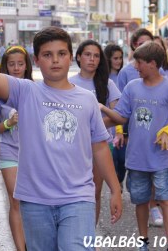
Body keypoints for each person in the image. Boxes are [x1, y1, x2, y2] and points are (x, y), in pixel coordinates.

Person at [0, 14, 122, 251]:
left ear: (70, 57)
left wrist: (115, 189)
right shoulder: (26, 91)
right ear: (36, 60)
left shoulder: (87, 100)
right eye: (47, 55)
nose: (55, 60)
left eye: (61, 54)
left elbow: (99, 146)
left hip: (78, 199)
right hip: (35, 200)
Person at [101, 41, 168, 251]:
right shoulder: (131, 87)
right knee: (140, 201)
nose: (135, 67)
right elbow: (121, 117)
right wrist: (99, 113)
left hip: (162, 158)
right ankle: (143, 241)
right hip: (137, 157)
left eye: (139, 62)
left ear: (153, 63)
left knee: (165, 199)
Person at [116, 29, 164, 227]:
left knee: (155, 175)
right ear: (135, 45)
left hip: (157, 137)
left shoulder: (165, 76)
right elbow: (120, 107)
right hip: (132, 130)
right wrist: (120, 131)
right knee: (134, 177)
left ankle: (154, 206)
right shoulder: (128, 73)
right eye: (140, 43)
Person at [0, 45, 33, 251]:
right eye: (11, 64)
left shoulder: (35, 89)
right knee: (16, 202)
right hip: (9, 152)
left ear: (27, 66)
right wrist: (8, 123)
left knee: (33, 204)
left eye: (20, 64)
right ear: (4, 66)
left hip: (34, 154)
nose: (16, 68)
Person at [70, 40, 121, 225]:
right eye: (87, 54)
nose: (92, 59)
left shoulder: (107, 84)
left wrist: (97, 124)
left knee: (95, 191)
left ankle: (90, 233)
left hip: (100, 144)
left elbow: (119, 116)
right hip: (74, 145)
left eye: (96, 56)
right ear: (78, 57)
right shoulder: (69, 82)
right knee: (74, 190)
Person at [104, 44, 126, 190]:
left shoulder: (125, 74)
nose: (118, 61)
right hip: (111, 124)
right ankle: (116, 184)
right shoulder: (104, 78)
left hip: (125, 121)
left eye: (120, 58)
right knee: (114, 158)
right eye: (115, 58)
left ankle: (120, 181)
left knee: (123, 157)